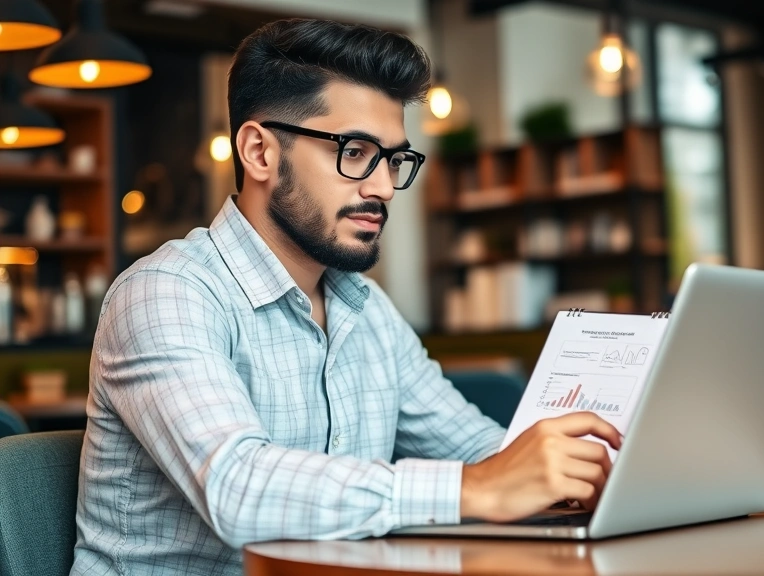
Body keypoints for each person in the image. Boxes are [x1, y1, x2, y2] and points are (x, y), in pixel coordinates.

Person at [71, 19, 621, 576]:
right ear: (260, 152)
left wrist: (581, 474)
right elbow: (237, 487)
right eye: (355, 151)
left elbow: (481, 453)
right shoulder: (165, 294)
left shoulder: (366, 310)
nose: (382, 186)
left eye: (393, 159)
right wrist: (478, 488)